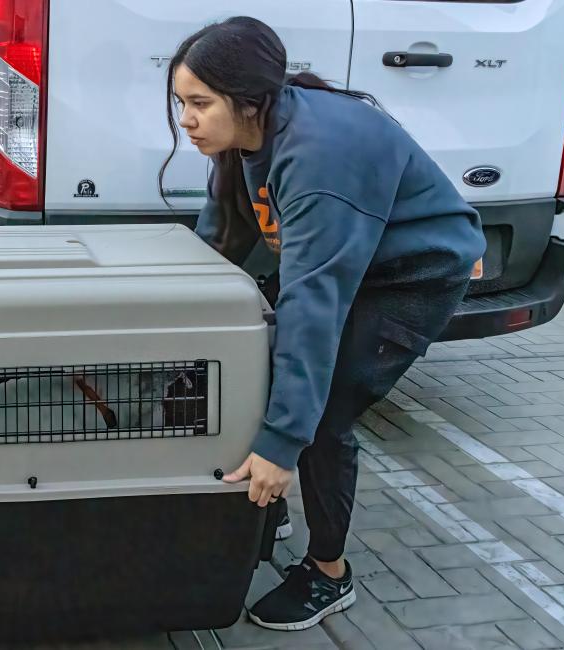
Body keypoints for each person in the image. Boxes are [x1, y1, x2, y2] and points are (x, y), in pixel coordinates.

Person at [159, 17, 485, 631]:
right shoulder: (249, 139)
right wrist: (180, 309)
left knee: (325, 410)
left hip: (413, 275)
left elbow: (315, 306)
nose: (186, 118)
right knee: (263, 358)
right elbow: (221, 235)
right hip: (351, 262)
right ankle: (265, 506)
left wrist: (282, 443)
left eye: (199, 103)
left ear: (249, 100)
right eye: (182, 102)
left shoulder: (322, 161)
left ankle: (328, 574)